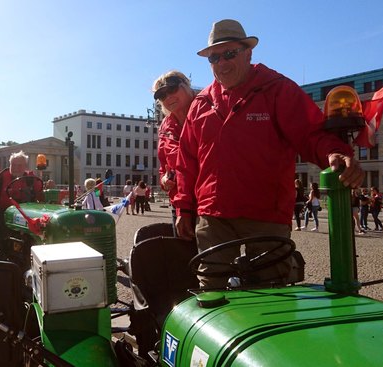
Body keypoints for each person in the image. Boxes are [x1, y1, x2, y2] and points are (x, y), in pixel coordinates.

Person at [174, 19, 364, 288]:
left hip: (265, 215)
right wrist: (184, 207)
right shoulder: (201, 103)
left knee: (271, 292)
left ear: (248, 53)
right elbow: (187, 161)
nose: (222, 63)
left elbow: (310, 132)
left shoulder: (278, 89)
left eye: (230, 54)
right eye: (215, 57)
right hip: (213, 216)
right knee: (211, 291)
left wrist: (334, 151)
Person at [153, 71, 196, 229]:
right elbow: (164, 166)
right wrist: (165, 179)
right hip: (179, 204)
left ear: (186, 85)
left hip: (206, 203)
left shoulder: (207, 112)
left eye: (172, 90)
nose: (168, 97)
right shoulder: (166, 125)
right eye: (162, 96)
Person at [0, 151, 44, 243]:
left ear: (25, 166)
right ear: (9, 164)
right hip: (4, 211)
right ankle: (1, 243)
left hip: (26, 212)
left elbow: (41, 194)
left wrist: (48, 189)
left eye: (20, 165)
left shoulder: (31, 179)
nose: (16, 168)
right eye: (13, 165)